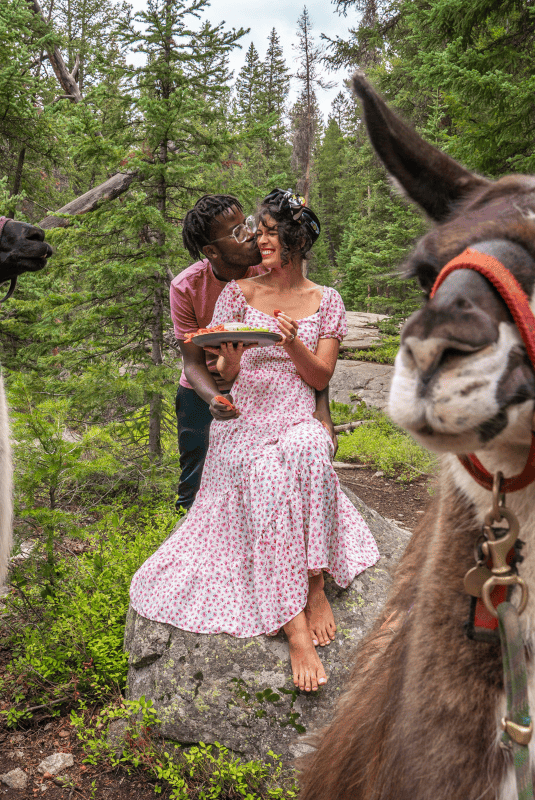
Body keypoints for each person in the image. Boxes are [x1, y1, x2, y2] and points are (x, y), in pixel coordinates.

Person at [132, 190, 379, 692]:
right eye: (253, 231)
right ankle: (292, 626)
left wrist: (292, 343)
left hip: (293, 408)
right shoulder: (237, 292)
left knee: (310, 449)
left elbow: (320, 376)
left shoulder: (326, 300)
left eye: (266, 231)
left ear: (294, 239)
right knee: (265, 475)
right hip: (244, 412)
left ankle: (314, 585)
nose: (257, 239)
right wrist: (234, 365)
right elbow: (216, 368)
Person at [172, 194, 334, 511]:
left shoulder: (270, 269)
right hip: (201, 392)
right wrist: (214, 399)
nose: (250, 235)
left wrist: (322, 410)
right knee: (196, 479)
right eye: (237, 232)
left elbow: (310, 351)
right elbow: (192, 363)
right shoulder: (187, 287)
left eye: (246, 224)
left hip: (261, 388)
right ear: (211, 251)